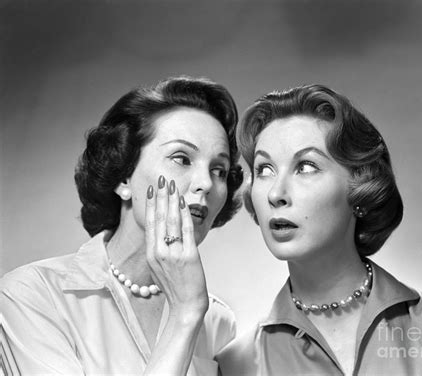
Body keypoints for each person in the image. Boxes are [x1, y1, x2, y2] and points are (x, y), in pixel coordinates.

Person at [217, 84, 422, 375]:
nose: (276, 193)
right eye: (264, 169)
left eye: (306, 166)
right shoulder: (236, 366)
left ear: (359, 187)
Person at [0, 76, 243, 375]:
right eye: (181, 158)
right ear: (123, 177)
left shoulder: (217, 322)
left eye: (219, 169)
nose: (206, 183)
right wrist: (184, 316)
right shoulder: (32, 294)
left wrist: (192, 312)